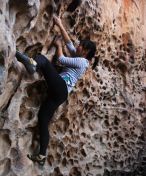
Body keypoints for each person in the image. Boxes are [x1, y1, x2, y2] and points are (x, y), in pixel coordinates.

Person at [16, 15, 96, 166]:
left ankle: (33, 64)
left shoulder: (82, 61)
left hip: (61, 87)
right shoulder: (80, 57)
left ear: (85, 51)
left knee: (43, 60)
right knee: (43, 118)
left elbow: (60, 59)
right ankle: (41, 155)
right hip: (60, 94)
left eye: (81, 45)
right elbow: (69, 43)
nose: (77, 46)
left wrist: (58, 46)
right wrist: (59, 24)